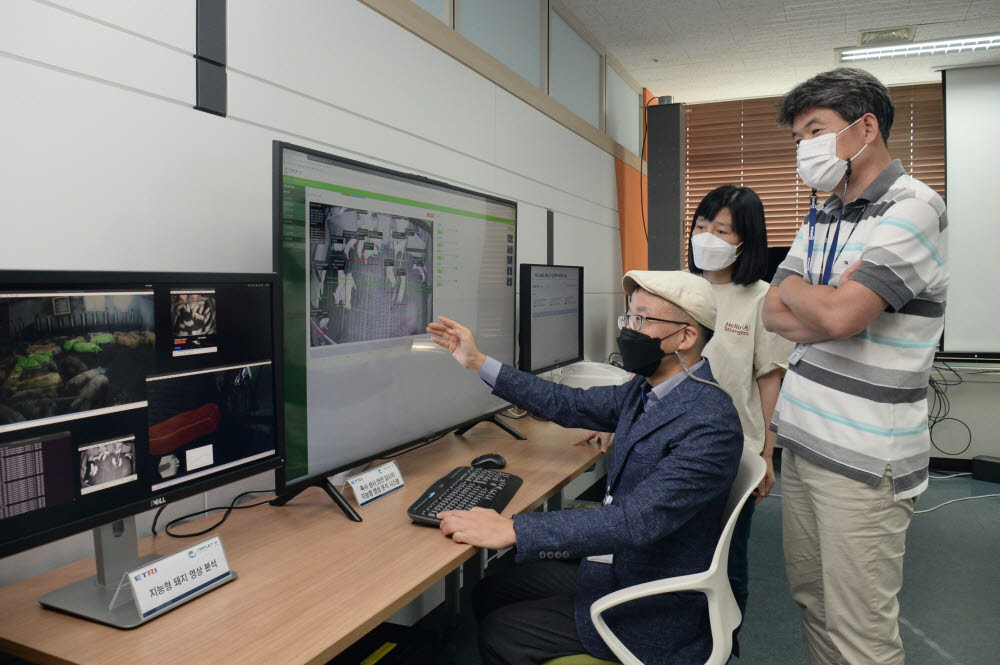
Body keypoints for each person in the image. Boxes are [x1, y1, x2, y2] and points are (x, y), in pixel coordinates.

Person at [427, 271, 743, 665]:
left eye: (642, 320)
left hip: (653, 600)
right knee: (493, 589)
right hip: (625, 566)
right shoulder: (647, 390)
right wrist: (478, 362)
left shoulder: (710, 423)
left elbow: (635, 521)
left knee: (502, 631)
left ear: (686, 337)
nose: (629, 329)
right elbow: (569, 403)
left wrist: (513, 528)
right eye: (628, 317)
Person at [763, 67, 948, 665]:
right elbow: (772, 309)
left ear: (865, 128)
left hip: (865, 464)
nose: (804, 149)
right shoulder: (822, 213)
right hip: (807, 443)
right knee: (813, 603)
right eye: (797, 139)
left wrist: (824, 303)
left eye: (815, 130)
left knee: (859, 633)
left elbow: (842, 317)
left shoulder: (915, 207)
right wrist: (826, 301)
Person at [688, 184, 795, 644]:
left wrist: (767, 455)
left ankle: (724, 644)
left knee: (727, 559)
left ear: (745, 241)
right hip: (678, 443)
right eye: (701, 226)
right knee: (681, 553)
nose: (706, 236)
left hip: (734, 450)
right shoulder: (680, 288)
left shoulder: (761, 298)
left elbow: (769, 379)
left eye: (721, 229)